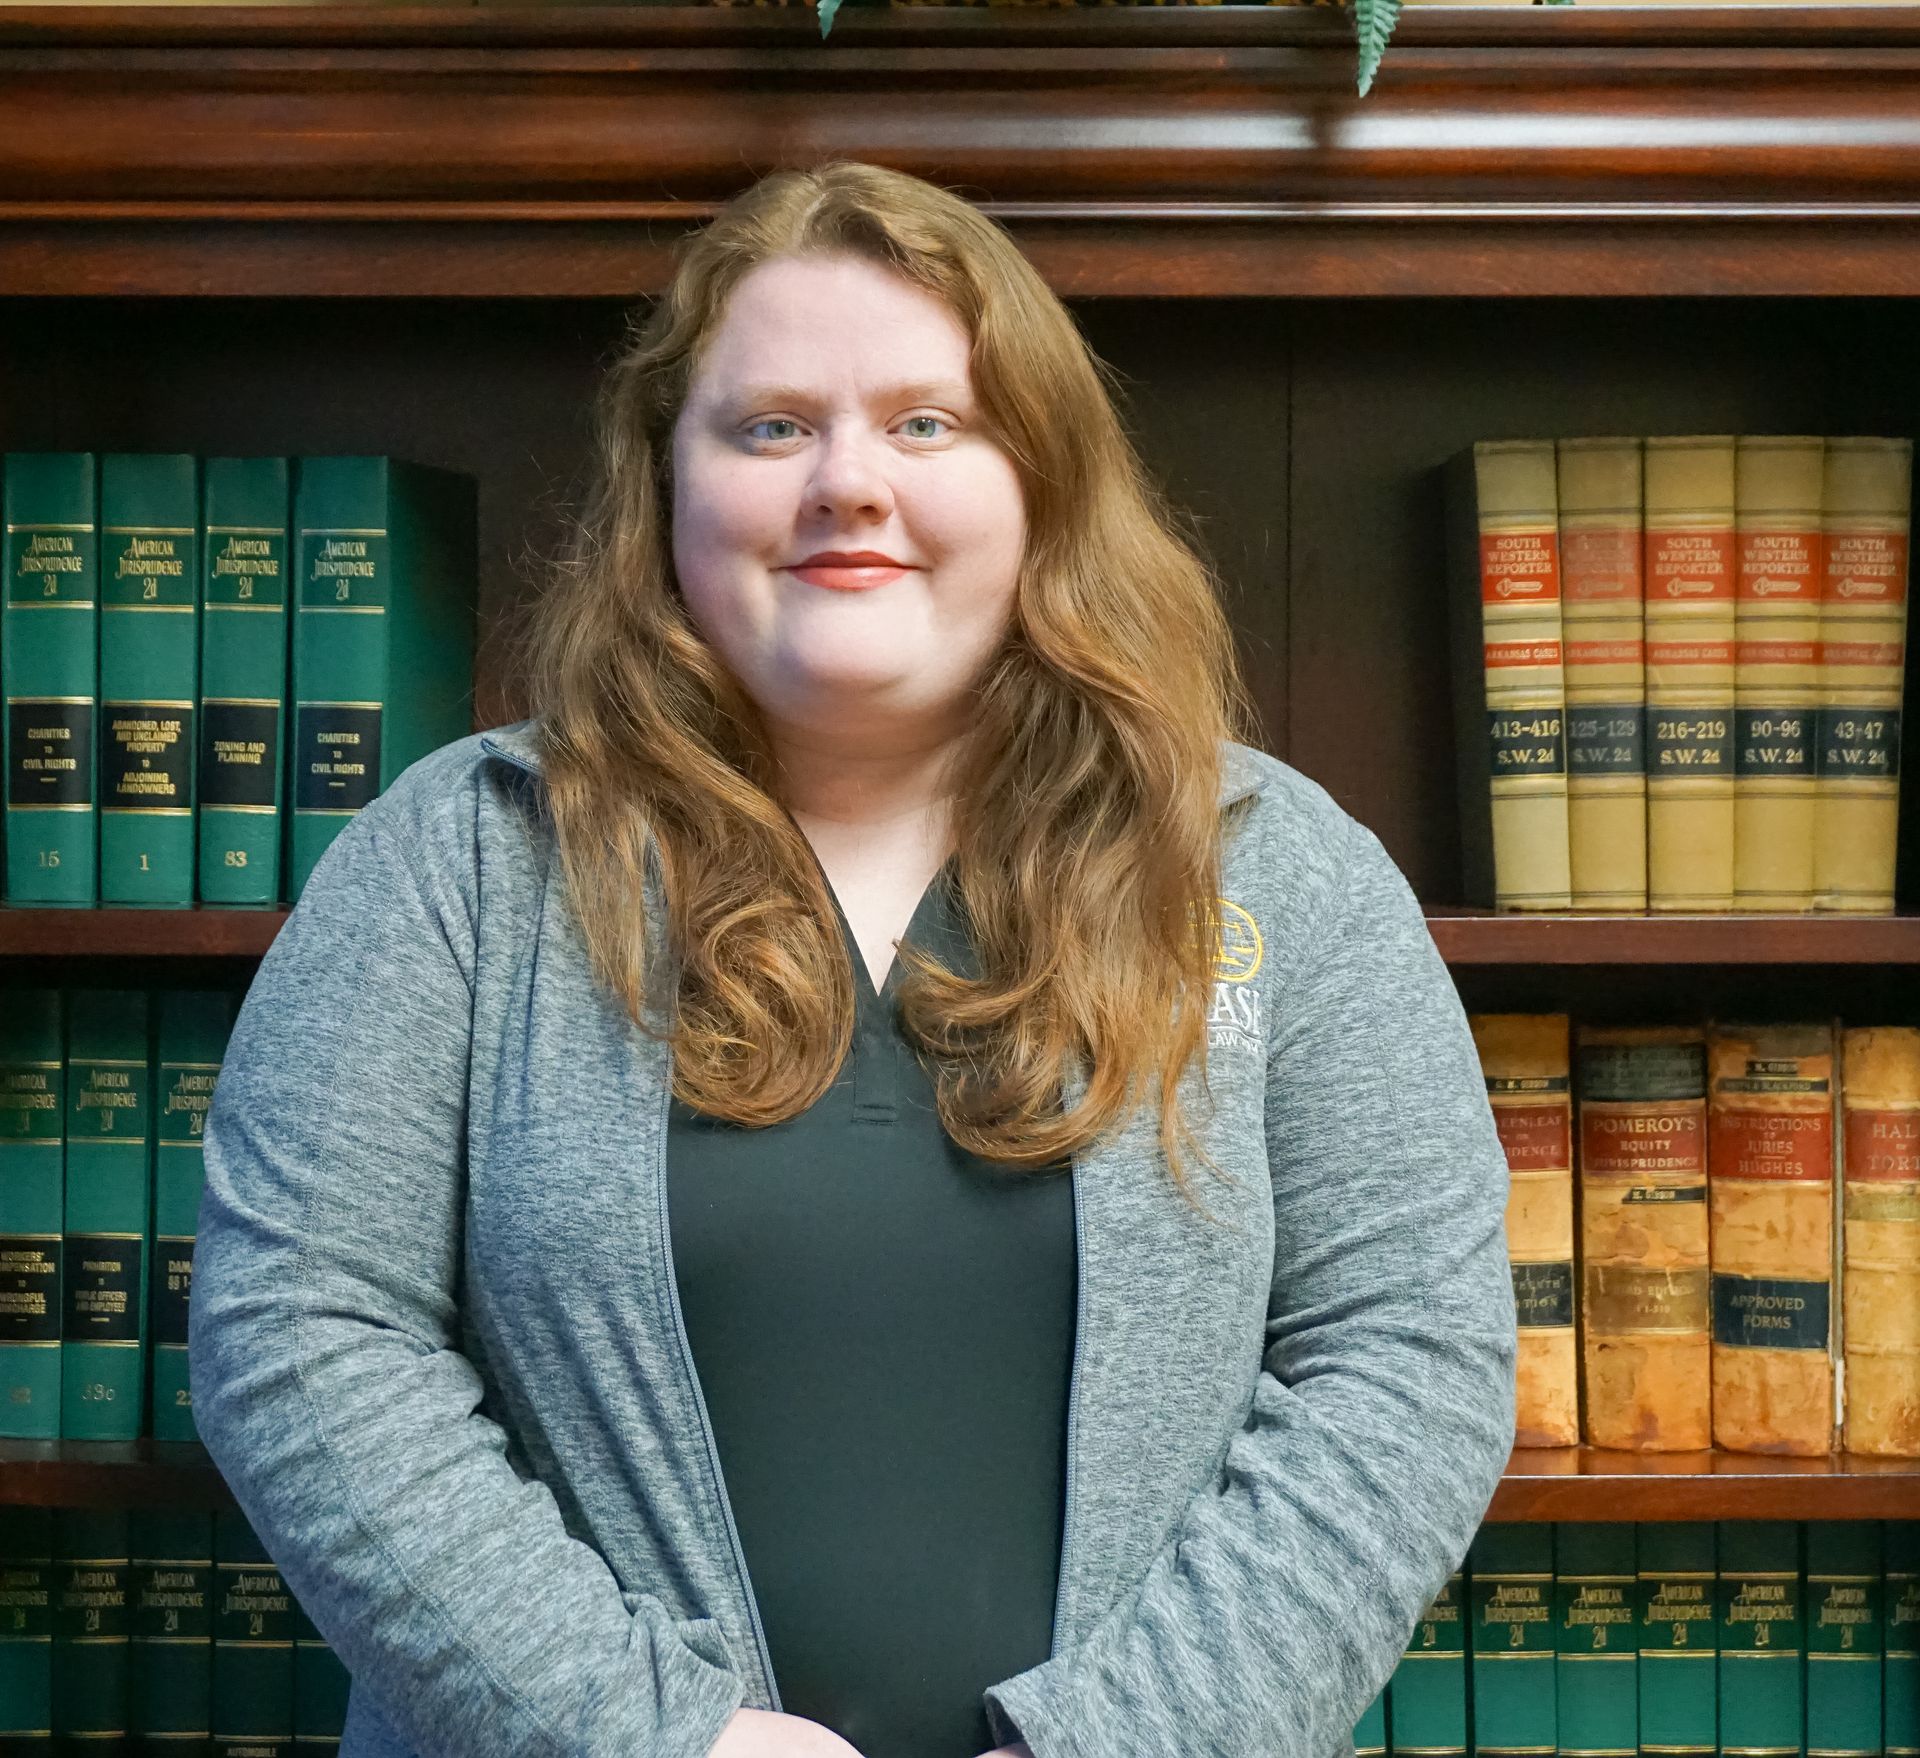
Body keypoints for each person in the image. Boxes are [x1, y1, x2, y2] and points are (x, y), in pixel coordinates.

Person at [190, 159, 1518, 1758]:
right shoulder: (459, 862)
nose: (847, 483)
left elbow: (1410, 1361)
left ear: (1041, 483)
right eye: (768, 426)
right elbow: (300, 1331)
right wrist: (654, 1738)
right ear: (664, 483)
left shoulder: (1276, 870)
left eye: (926, 423)